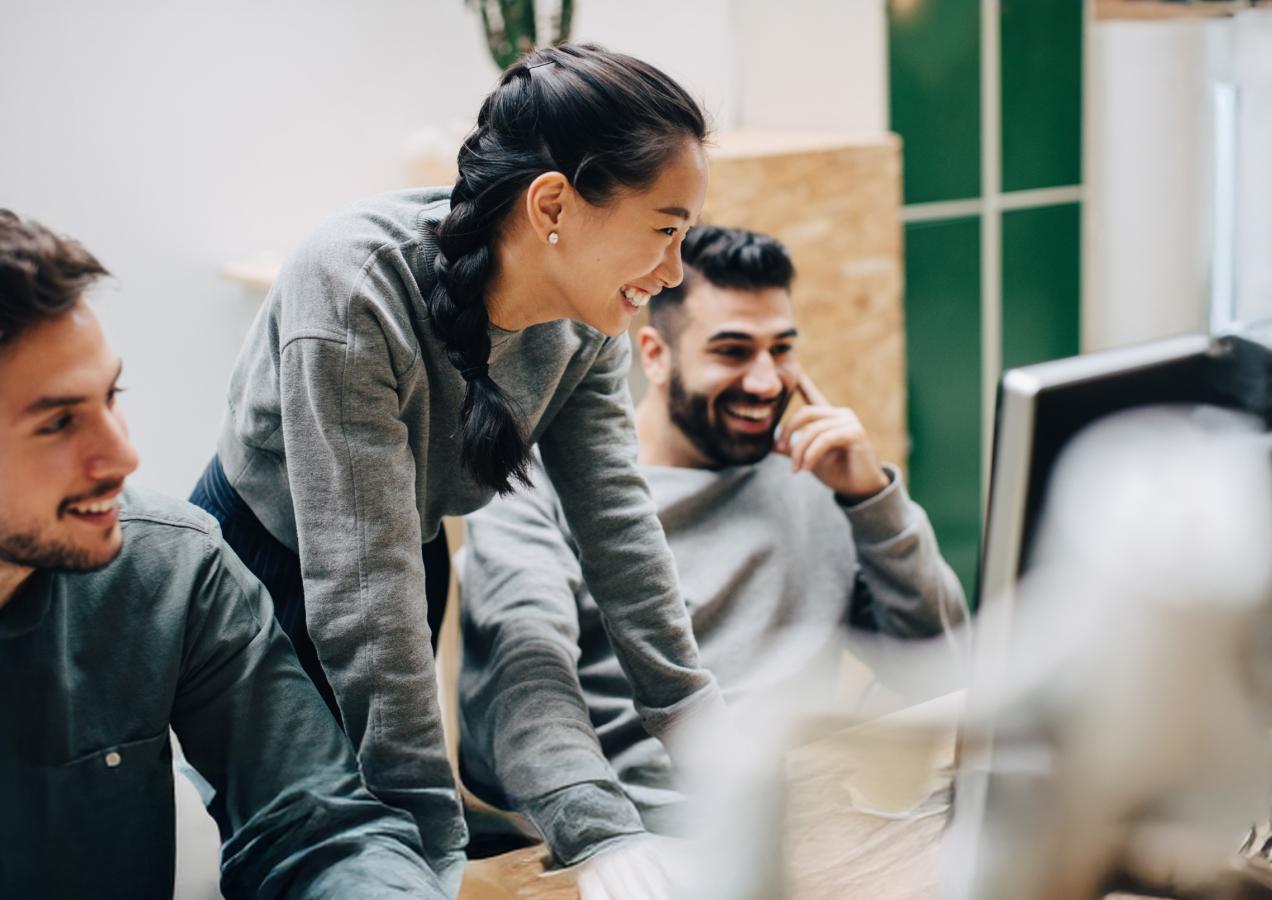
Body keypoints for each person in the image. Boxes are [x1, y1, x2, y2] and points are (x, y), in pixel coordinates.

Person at [187, 43, 725, 887]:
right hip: (262, 576)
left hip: (405, 553)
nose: (673, 270)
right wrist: (429, 855)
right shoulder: (352, 287)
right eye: (664, 228)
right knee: (320, 853)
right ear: (554, 203)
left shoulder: (589, 321)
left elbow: (617, 529)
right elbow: (363, 590)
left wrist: (705, 734)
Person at [456, 226, 969, 896]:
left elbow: (948, 665)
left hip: (808, 825)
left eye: (780, 350)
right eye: (731, 351)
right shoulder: (534, 493)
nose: (764, 381)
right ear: (655, 353)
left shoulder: (816, 478)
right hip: (632, 851)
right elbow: (520, 706)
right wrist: (623, 841)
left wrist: (873, 501)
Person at [0, 210, 445, 899]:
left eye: (110, 396)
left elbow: (316, 827)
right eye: (58, 422)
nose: (123, 454)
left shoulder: (170, 567)